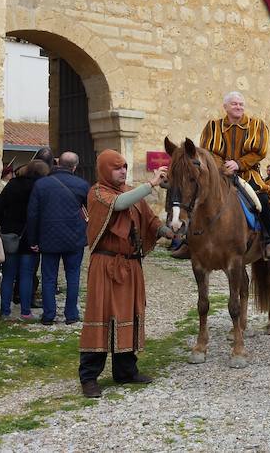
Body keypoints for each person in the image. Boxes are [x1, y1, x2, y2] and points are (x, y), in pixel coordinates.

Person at [79, 150, 173, 398]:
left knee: (128, 314)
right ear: (104, 170)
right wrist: (151, 183)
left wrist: (169, 232)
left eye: (124, 166)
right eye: (117, 167)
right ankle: (89, 377)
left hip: (131, 266)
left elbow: (150, 220)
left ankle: (126, 371)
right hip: (106, 266)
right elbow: (119, 205)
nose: (122, 171)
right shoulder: (98, 193)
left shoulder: (130, 192)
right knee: (100, 315)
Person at [199, 91, 270, 259]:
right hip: (220, 173)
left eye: (241, 104)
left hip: (248, 174)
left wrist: (239, 164)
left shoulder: (256, 125)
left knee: (262, 199)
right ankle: (190, 239)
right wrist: (222, 167)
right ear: (225, 107)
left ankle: (268, 240)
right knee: (198, 195)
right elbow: (207, 151)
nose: (238, 107)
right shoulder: (213, 126)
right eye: (234, 104)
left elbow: (260, 152)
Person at [27, 152, 90, 325]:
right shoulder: (82, 185)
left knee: (49, 278)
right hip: (75, 237)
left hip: (48, 237)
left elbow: (32, 215)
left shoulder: (41, 184)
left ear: (57, 163)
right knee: (73, 276)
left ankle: (48, 315)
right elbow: (92, 211)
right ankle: (71, 314)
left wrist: (33, 240)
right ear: (75, 167)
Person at [0, 160, 50, 321]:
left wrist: (4, 224)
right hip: (30, 236)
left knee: (8, 275)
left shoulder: (12, 185)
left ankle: (5, 311)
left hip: (10, 233)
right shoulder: (40, 188)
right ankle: (25, 311)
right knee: (27, 275)